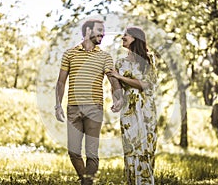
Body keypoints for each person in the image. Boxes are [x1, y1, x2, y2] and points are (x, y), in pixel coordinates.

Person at [55, 19, 123, 185]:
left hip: (95, 108)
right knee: (73, 151)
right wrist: (58, 105)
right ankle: (86, 181)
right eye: (99, 30)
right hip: (73, 107)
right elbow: (61, 82)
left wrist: (118, 97)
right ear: (88, 31)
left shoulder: (105, 56)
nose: (103, 33)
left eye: (103, 30)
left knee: (91, 152)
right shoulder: (69, 54)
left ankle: (87, 183)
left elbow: (113, 80)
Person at [107, 27, 158, 185]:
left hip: (146, 109)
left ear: (135, 38)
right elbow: (116, 87)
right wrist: (117, 100)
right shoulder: (120, 62)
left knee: (146, 148)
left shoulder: (148, 59)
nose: (122, 37)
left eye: (126, 35)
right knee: (131, 148)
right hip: (128, 109)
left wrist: (120, 77)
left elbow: (146, 84)